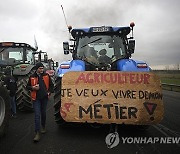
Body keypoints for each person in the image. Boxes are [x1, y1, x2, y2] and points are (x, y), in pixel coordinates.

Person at [26, 62, 54, 142]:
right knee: (37, 115)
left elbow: (51, 86)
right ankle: (37, 133)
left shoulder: (46, 76)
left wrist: (49, 92)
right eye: (40, 68)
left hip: (44, 98)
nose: (42, 70)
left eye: (42, 68)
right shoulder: (32, 77)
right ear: (36, 69)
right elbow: (27, 86)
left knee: (43, 113)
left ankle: (43, 126)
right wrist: (33, 87)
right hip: (36, 99)